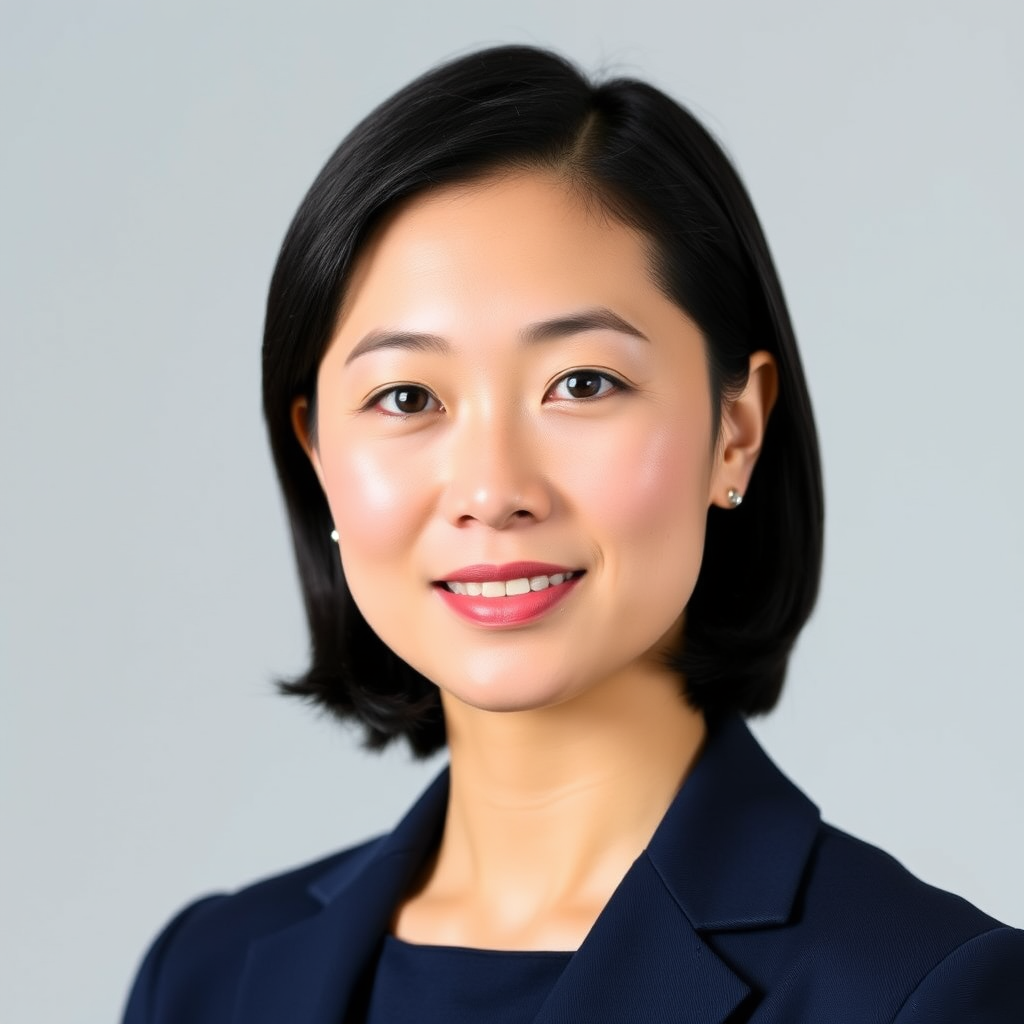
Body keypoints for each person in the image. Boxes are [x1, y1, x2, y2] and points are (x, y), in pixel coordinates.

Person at [122, 45, 1023, 1023]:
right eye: (406, 395)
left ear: (736, 429)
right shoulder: (201, 978)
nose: (492, 489)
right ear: (317, 456)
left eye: (583, 384)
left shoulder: (924, 991)